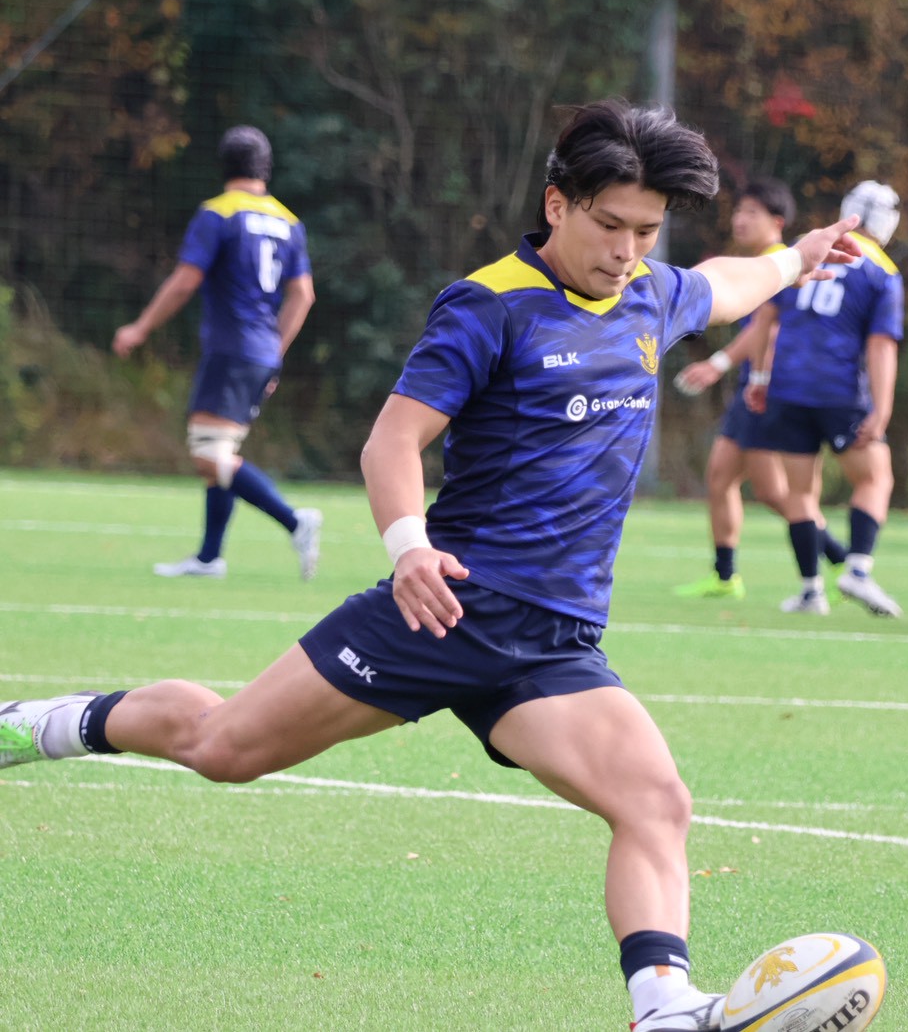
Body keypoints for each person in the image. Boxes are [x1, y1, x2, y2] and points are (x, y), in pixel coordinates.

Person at [2, 100, 864, 1032]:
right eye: (610, 225)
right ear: (558, 204)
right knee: (222, 749)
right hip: (447, 609)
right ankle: (46, 724)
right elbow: (391, 440)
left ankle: (662, 1009)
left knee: (656, 802)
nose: (626, 251)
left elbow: (727, 283)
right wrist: (409, 548)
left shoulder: (651, 295)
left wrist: (798, 256)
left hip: (553, 641)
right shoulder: (489, 304)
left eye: (646, 232)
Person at [112, 125, 322, 580]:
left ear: (223, 165)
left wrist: (141, 327)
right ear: (266, 168)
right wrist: (275, 352)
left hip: (231, 349)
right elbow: (303, 295)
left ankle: (294, 521)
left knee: (207, 453)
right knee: (220, 452)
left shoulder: (218, 213)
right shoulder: (289, 221)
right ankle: (209, 558)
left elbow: (185, 280)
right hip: (263, 351)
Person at [670, 179, 848, 599]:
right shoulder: (765, 264)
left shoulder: (784, 265)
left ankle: (843, 561)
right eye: (739, 211)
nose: (740, 219)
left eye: (752, 212)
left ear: (777, 222)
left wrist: (717, 364)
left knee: (771, 492)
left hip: (767, 391)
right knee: (722, 477)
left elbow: (767, 331)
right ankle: (725, 575)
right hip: (754, 388)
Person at [748, 180, 905, 617]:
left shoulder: (805, 247)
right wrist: (883, 407)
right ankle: (857, 570)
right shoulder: (882, 271)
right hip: (839, 391)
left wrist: (759, 375)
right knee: (875, 477)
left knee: (801, 493)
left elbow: (766, 315)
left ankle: (810, 591)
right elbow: (881, 345)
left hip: (786, 387)